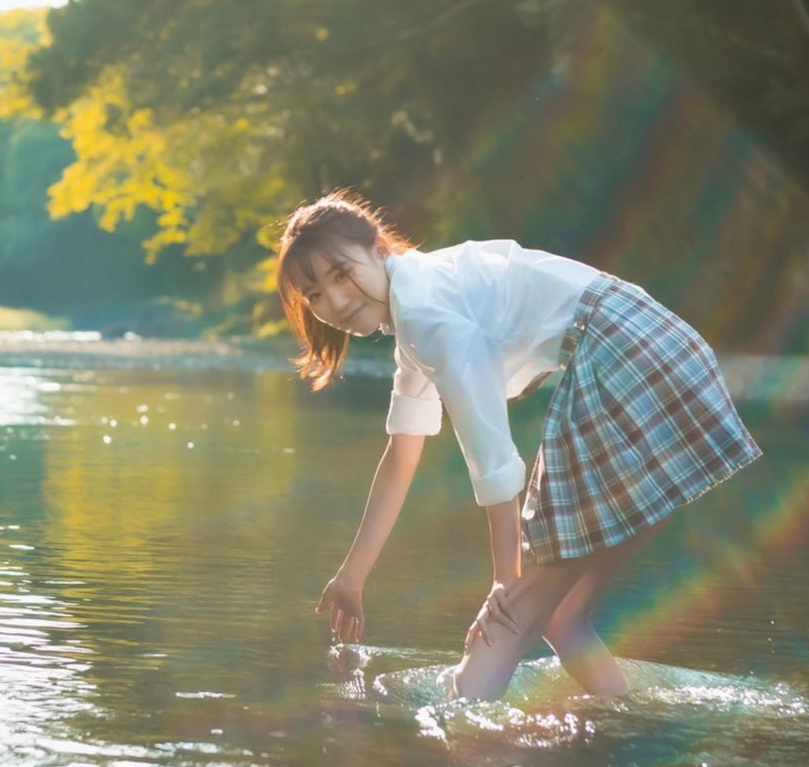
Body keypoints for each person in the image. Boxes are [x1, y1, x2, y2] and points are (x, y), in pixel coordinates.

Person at [276, 191, 761, 701]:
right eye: (313, 296)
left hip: (626, 354)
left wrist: (503, 581)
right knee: (563, 616)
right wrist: (351, 579)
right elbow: (400, 456)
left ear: (378, 248)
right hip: (658, 345)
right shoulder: (422, 302)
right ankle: (626, 720)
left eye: (339, 274)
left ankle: (469, 751)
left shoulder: (426, 313)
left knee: (507, 620)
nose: (333, 301)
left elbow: (493, 457)